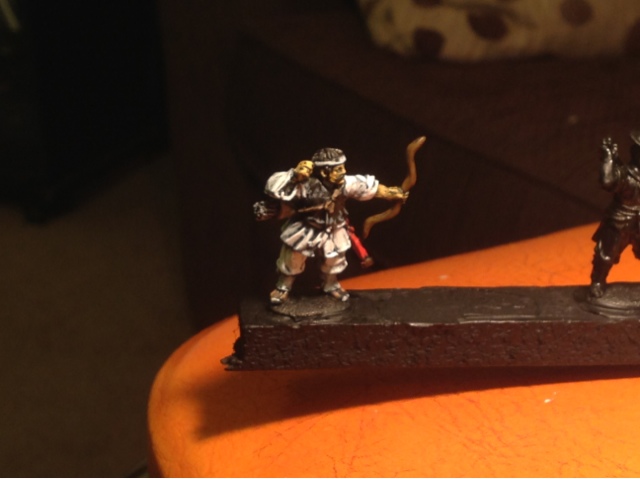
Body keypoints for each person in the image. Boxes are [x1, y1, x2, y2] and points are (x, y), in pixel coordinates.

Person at [262, 147, 407, 304]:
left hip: (334, 226)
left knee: (335, 258)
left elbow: (367, 187)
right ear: (324, 172)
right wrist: (294, 176)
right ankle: (283, 287)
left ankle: (330, 285)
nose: (344, 171)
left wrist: (390, 193)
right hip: (307, 226)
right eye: (338, 169)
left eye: (343, 167)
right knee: (293, 257)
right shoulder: (306, 185)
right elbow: (274, 188)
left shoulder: (345, 183)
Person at [589, 132, 640, 298]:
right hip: (621, 221)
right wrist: (608, 159)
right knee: (606, 254)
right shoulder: (625, 173)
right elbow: (608, 181)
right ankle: (597, 281)